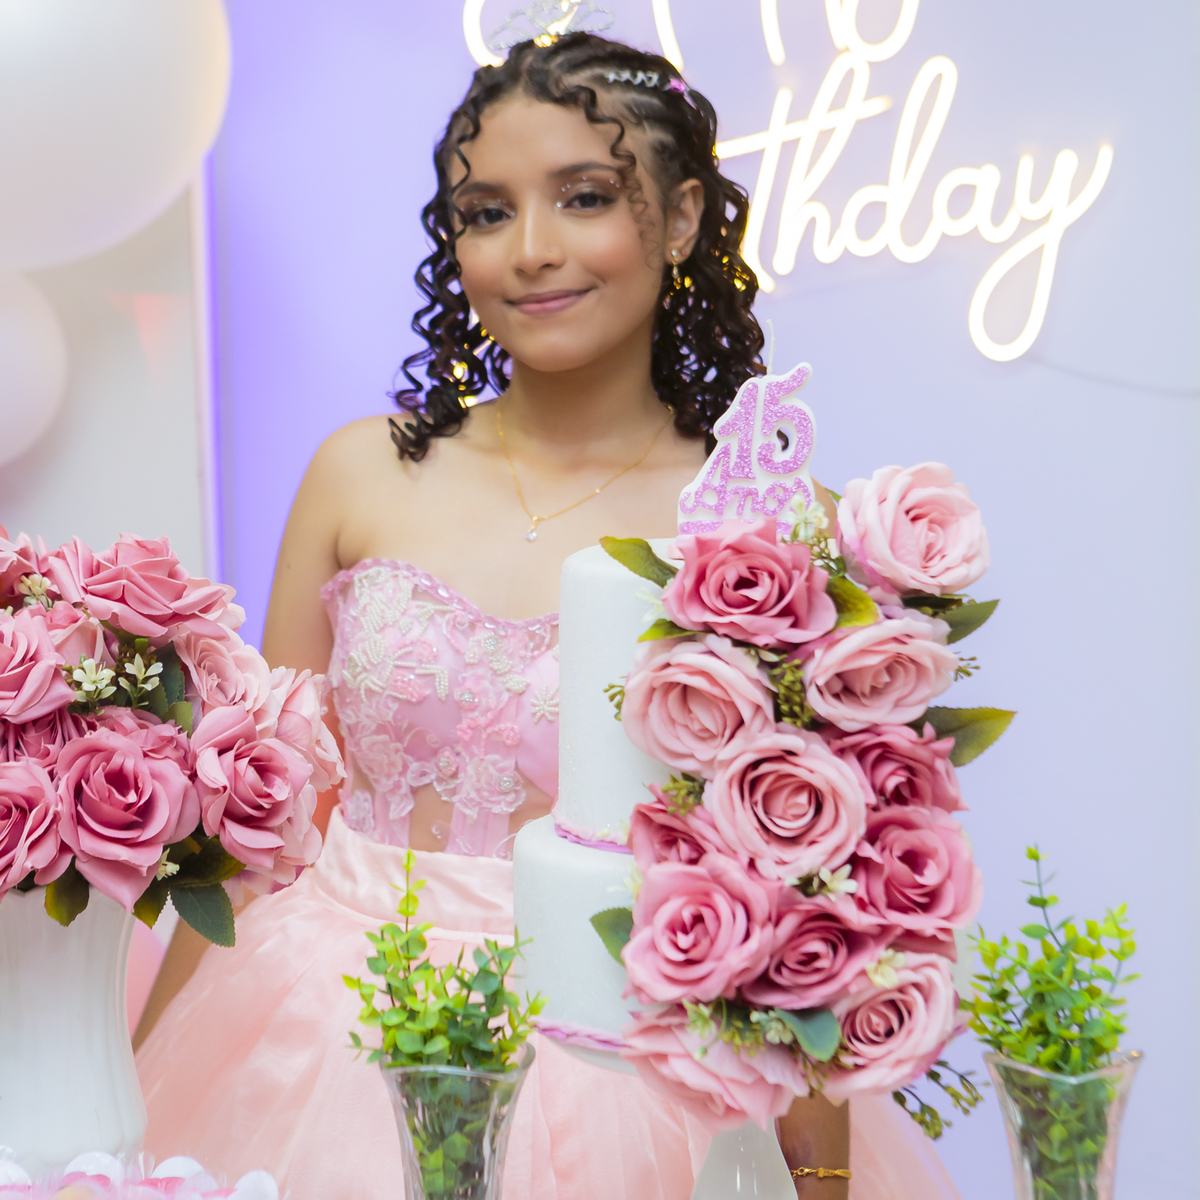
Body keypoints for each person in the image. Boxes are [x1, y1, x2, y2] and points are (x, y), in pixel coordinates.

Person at [135, 32, 962, 1200]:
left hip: (632, 1060)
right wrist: (138, 1092)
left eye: (583, 197)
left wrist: (821, 1174)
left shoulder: (771, 527)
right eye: (486, 212)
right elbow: (258, 828)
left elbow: (804, 892)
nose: (530, 250)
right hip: (318, 1032)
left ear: (680, 220)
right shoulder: (357, 474)